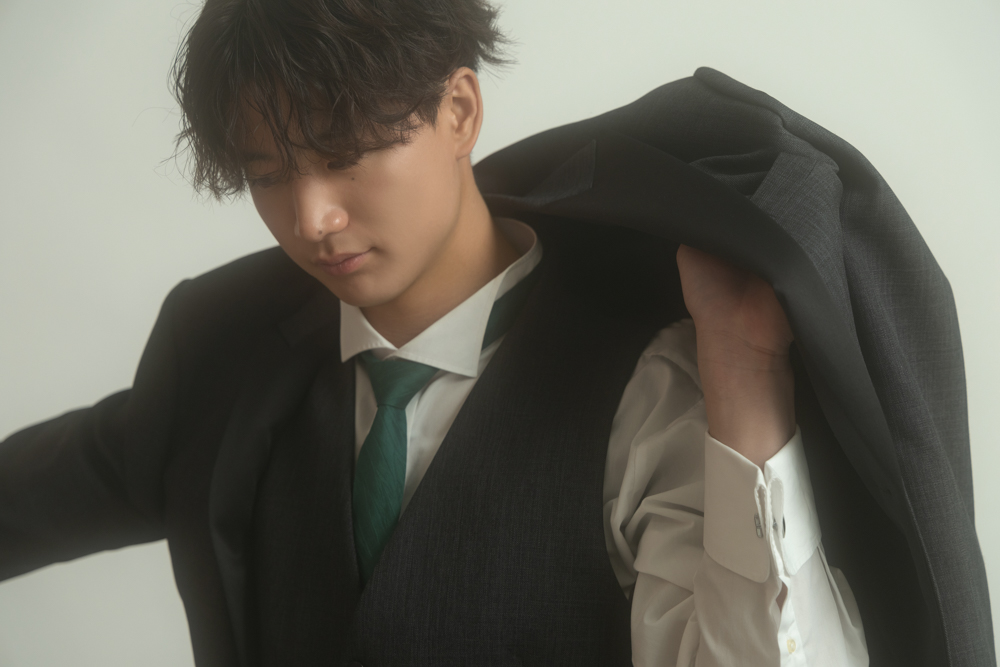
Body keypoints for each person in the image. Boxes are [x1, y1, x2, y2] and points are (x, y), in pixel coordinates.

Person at [8, 0, 981, 664]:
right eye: (267, 175)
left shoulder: (648, 378)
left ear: (459, 110)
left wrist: (745, 372)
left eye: (345, 153)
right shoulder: (226, 356)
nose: (310, 217)